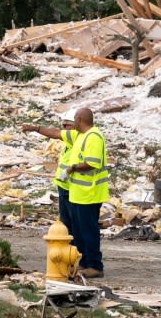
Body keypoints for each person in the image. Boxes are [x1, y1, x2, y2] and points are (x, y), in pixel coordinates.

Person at [21, 107, 108, 278]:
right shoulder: (79, 135)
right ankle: (84, 263)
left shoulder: (94, 137)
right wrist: (36, 129)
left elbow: (92, 163)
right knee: (79, 230)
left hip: (90, 193)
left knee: (89, 230)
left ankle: (95, 265)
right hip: (78, 193)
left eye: (74, 119)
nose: (72, 123)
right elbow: (56, 133)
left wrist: (72, 168)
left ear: (80, 120)